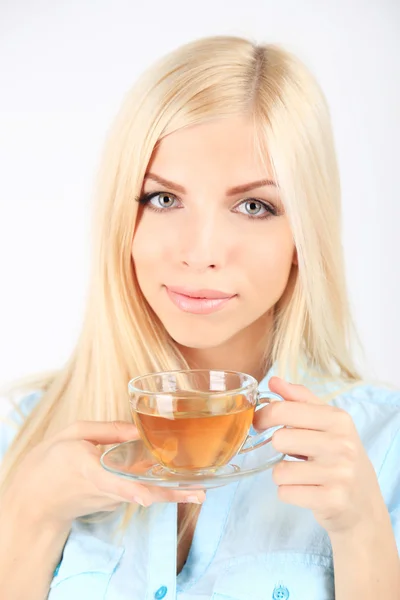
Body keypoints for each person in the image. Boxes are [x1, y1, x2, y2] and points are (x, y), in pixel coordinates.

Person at [0, 34, 399, 600]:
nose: (200, 250)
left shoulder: (384, 446)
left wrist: (362, 533)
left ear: (302, 236)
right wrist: (29, 515)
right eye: (163, 199)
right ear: (124, 221)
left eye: (254, 206)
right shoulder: (22, 432)